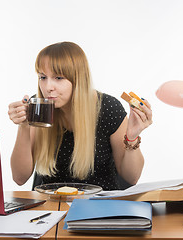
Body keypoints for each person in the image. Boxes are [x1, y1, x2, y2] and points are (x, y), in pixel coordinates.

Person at [8, 42, 152, 190]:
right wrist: (23, 126)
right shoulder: (40, 107)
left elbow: (132, 177)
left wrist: (133, 136)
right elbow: (19, 177)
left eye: (58, 78)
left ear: (78, 79)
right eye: (43, 77)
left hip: (100, 206)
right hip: (51, 206)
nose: (48, 87)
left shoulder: (108, 108)